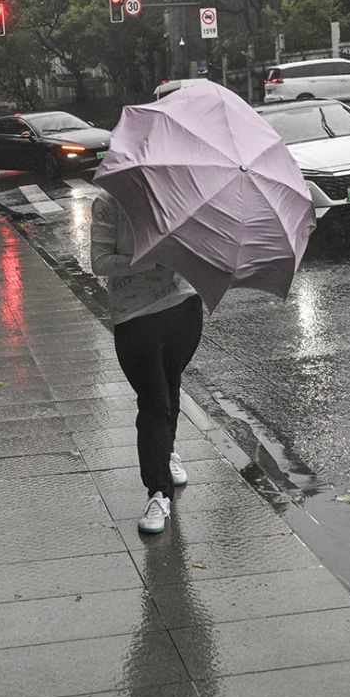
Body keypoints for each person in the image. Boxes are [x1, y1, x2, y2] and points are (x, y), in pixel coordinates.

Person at [90, 192, 203, 535]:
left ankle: (165, 453)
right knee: (154, 401)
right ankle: (158, 493)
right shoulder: (109, 203)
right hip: (134, 316)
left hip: (182, 308)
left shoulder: (182, 195)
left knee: (168, 387)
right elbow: (100, 262)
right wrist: (151, 259)